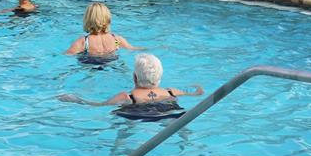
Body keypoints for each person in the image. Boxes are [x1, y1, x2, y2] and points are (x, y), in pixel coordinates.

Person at [59, 53, 203, 120]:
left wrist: (75, 99)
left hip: (135, 113)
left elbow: (98, 105)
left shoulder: (126, 97)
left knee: (123, 127)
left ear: (134, 77)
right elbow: (197, 93)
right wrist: (198, 88)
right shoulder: (171, 92)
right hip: (167, 111)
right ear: (160, 76)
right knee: (174, 122)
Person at [65, 2, 140, 58]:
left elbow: (67, 55)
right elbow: (132, 49)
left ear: (87, 19)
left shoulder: (84, 42)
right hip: (111, 62)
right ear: (108, 18)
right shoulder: (116, 40)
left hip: (91, 65)